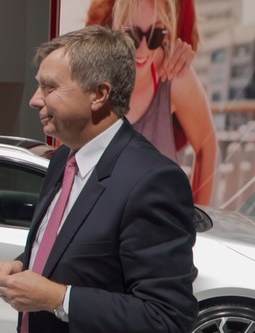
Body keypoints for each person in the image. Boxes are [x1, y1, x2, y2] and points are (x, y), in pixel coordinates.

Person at [0, 25, 198, 333]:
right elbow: (75, 246)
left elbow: (168, 318)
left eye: (50, 87)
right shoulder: (64, 157)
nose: (35, 100)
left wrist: (56, 297)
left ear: (99, 94)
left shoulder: (151, 179)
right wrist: (23, 263)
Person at [87, 0, 217, 205]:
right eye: (132, 36)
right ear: (116, 27)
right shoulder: (91, 73)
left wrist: (197, 220)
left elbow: (207, 144)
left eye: (156, 36)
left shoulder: (174, 75)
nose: (143, 49)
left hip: (160, 229)